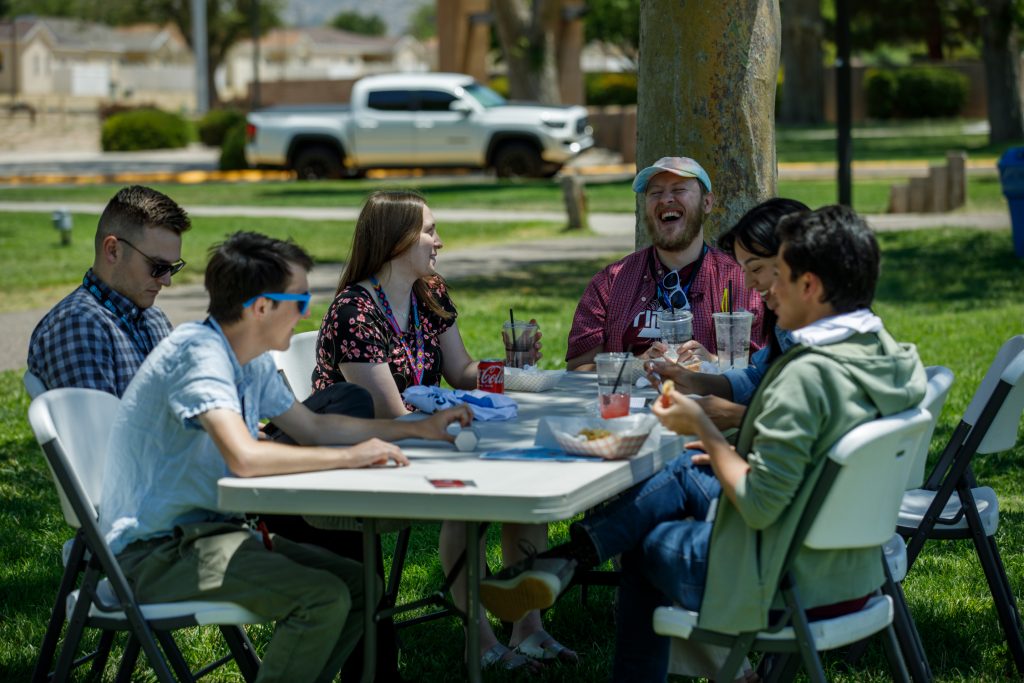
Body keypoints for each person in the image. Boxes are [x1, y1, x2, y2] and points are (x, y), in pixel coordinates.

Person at [479, 205, 927, 681]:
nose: (766, 290)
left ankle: (571, 568)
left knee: (648, 545)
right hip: (853, 565)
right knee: (682, 473)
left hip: (787, 577)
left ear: (810, 286)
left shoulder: (808, 377)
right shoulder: (895, 360)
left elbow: (758, 503)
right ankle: (565, 560)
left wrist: (706, 431)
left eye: (780, 276)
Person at [99, 231, 472, 683]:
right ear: (261, 308)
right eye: (297, 300)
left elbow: (312, 427)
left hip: (207, 534)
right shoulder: (199, 355)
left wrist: (416, 428)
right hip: (153, 553)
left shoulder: (246, 354)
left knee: (359, 588)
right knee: (323, 598)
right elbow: (245, 457)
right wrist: (351, 458)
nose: (308, 311)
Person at [313, 190, 574, 672]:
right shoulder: (355, 312)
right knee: (471, 504)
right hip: (374, 455)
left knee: (523, 477)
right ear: (395, 241)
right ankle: (480, 641)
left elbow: (461, 371)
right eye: (430, 231)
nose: (440, 241)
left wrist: (514, 373)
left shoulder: (429, 290)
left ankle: (528, 628)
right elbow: (392, 417)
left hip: (429, 439)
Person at [565, 156, 765, 370]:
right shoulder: (611, 282)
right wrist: (635, 366)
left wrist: (712, 363)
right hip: (626, 402)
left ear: (706, 203)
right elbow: (580, 369)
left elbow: (764, 370)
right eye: (656, 193)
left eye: (679, 190)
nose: (665, 199)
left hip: (705, 403)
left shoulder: (741, 281)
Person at [645, 198, 810, 430]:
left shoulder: (829, 341)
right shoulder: (787, 327)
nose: (749, 283)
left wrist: (734, 417)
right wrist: (692, 380)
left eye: (756, 268)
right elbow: (758, 378)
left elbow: (814, 423)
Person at [28, 185, 190, 395]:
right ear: (113, 250)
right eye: (158, 267)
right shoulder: (79, 325)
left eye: (171, 268)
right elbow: (95, 427)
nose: (166, 280)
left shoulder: (154, 318)